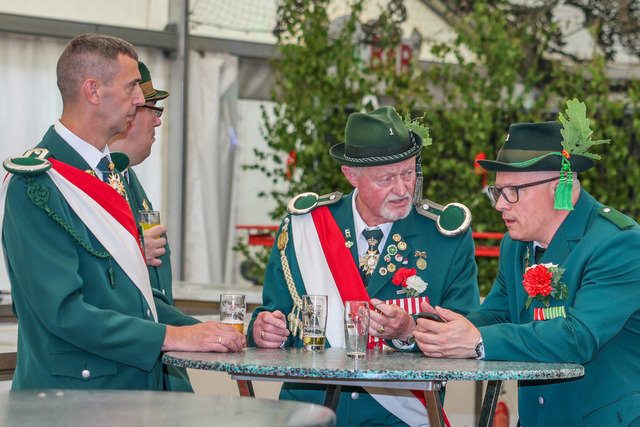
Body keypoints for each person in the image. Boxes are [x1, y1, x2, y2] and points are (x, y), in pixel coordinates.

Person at [1, 33, 245, 391]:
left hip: (135, 393)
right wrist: (171, 336)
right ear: (93, 91)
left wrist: (210, 332)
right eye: (131, 86)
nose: (140, 100)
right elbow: (62, 311)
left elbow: (140, 303)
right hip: (73, 400)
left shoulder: (112, 174)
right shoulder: (36, 185)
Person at [248, 106, 480, 426]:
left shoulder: (445, 240)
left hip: (398, 418)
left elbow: (467, 338)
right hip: (309, 413)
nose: (402, 189)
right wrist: (262, 331)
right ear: (351, 175)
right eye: (386, 178)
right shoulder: (306, 227)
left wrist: (409, 331)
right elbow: (274, 312)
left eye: (408, 173)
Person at [414, 100, 640, 426]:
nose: (500, 205)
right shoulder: (515, 244)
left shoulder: (618, 242)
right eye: (497, 191)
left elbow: (578, 337)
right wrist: (430, 331)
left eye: (512, 191)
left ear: (559, 188)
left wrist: (477, 342)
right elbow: (496, 315)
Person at [108, 60, 199, 392]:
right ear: (130, 114)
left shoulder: (126, 179)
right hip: (114, 377)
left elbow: (153, 300)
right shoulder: (82, 181)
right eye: (153, 109)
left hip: (149, 365)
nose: (158, 120)